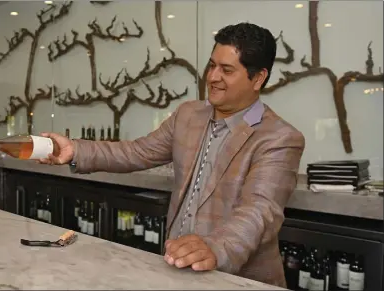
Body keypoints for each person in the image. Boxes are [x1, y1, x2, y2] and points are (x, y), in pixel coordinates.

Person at [38, 22, 305, 287]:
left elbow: (259, 211)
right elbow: (137, 152)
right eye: (211, 65)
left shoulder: (279, 138)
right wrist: (76, 150)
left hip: (237, 280)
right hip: (176, 271)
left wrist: (215, 248)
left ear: (258, 78)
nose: (212, 77)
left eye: (226, 70)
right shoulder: (188, 114)